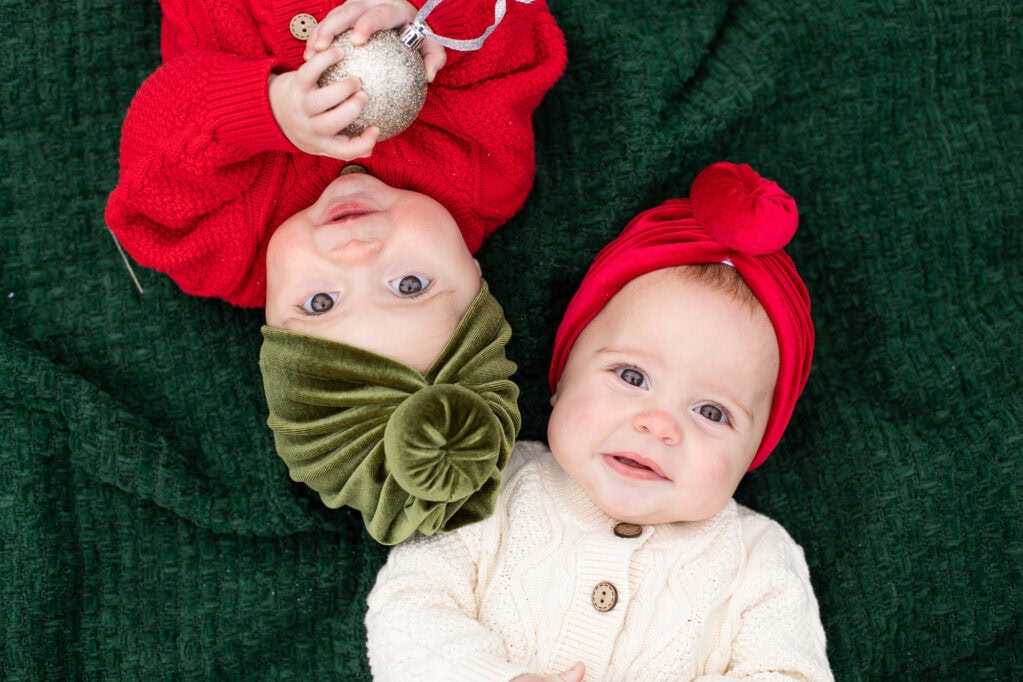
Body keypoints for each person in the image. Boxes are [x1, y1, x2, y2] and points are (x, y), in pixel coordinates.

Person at [104, 0, 567, 544]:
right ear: (472, 273)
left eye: (321, 302)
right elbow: (520, 32)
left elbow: (154, 145)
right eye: (408, 285)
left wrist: (266, 110)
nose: (355, 251)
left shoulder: (220, 249)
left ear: (274, 329)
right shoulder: (480, 175)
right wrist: (428, 23)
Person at [365, 162, 833, 680]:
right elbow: (408, 611)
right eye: (632, 376)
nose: (658, 425)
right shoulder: (490, 484)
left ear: (754, 451)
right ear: (563, 375)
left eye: (711, 412)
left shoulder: (758, 560)